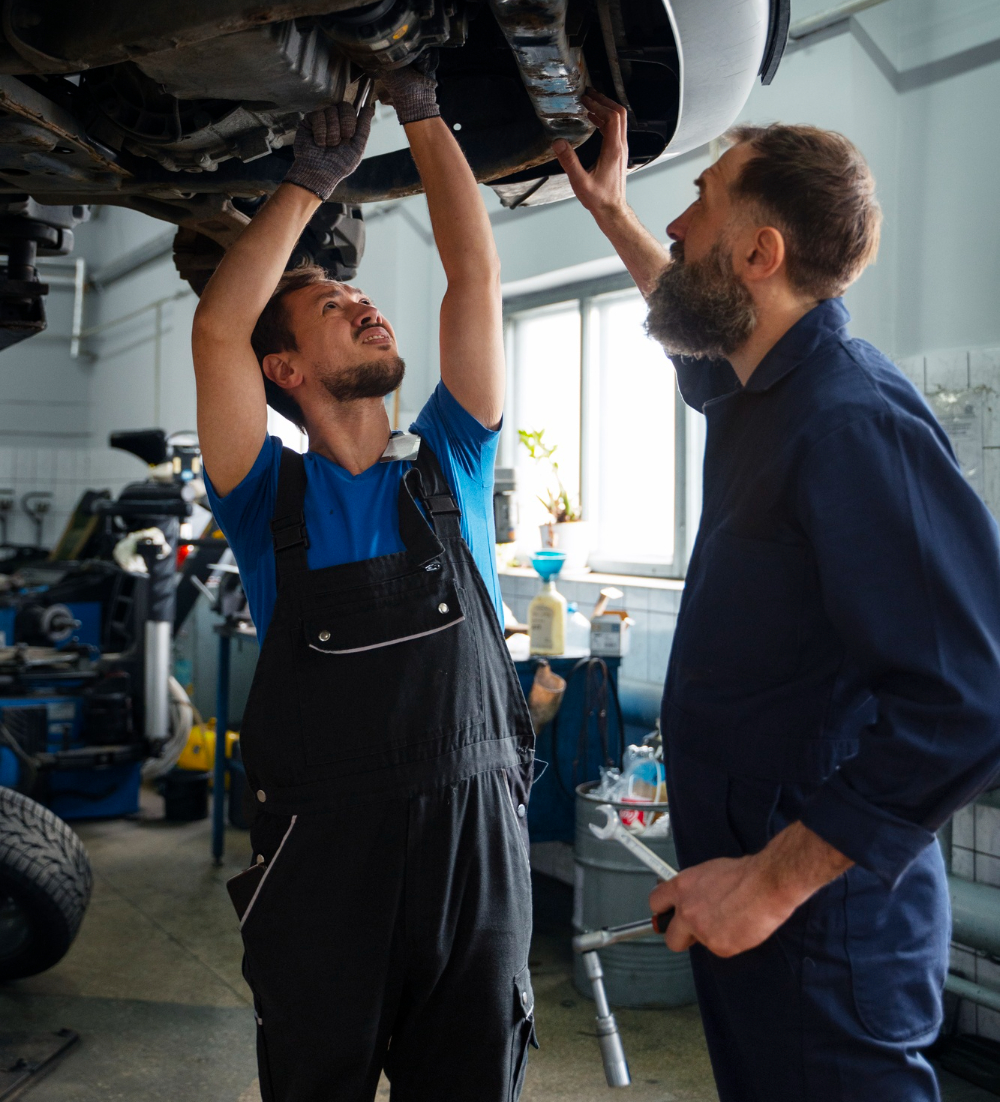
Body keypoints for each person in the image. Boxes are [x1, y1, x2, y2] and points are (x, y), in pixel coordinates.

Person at [554, 92, 1000, 1102]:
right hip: (758, 896)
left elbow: (967, 703)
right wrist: (609, 214)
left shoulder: (849, 421)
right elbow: (693, 337)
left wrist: (770, 882)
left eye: (698, 203)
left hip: (826, 921)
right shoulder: (764, 388)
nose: (674, 223)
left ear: (758, 254)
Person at [192, 66, 535, 1102]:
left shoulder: (451, 463)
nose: (362, 301)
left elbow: (470, 280)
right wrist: (305, 182)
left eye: (357, 292)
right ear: (285, 372)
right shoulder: (267, 500)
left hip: (474, 845)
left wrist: (425, 110)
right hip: (323, 868)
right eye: (332, 304)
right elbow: (219, 332)